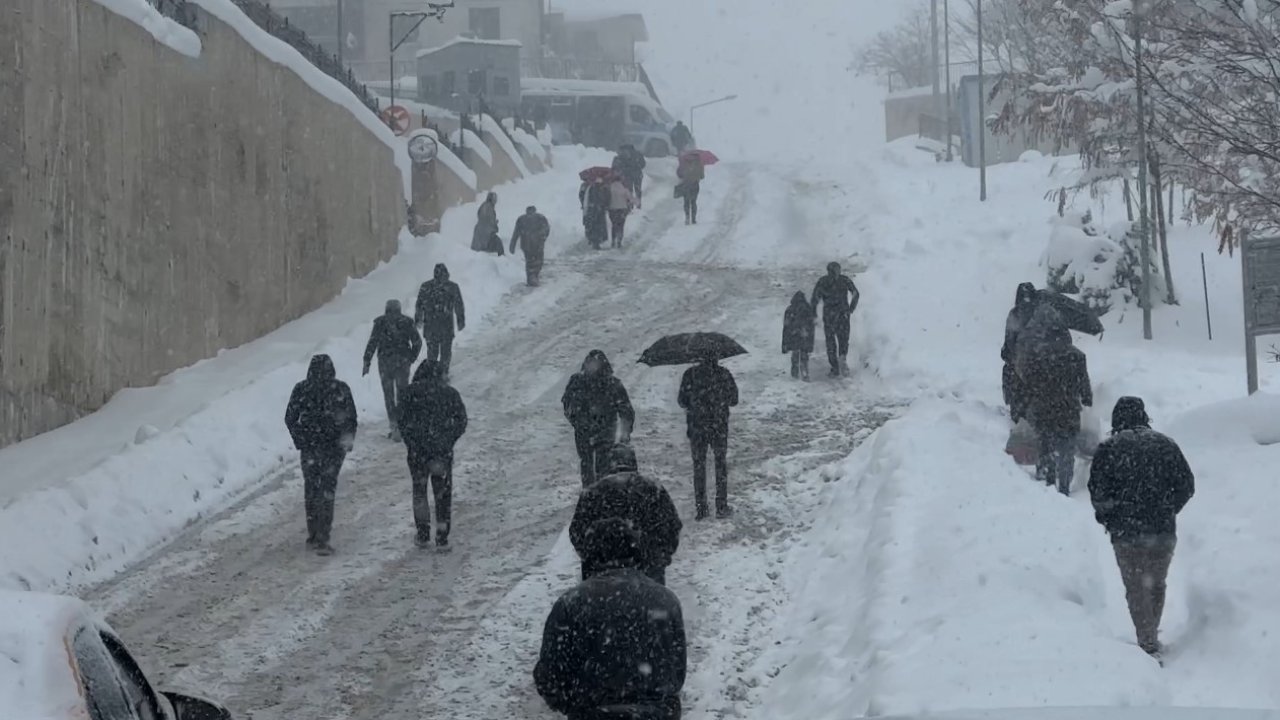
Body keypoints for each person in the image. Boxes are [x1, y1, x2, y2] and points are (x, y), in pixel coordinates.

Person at [534, 518, 687, 720]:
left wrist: (578, 707)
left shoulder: (570, 605)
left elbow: (549, 677)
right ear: (636, 553)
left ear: (590, 557)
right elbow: (676, 672)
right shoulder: (665, 601)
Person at [1088, 397, 1195, 659]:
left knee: (1136, 585)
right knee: (1156, 582)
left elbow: (1097, 491)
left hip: (1126, 533)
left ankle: (1146, 639)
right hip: (1162, 530)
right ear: (1144, 416)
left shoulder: (1109, 449)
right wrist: (1168, 509)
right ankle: (1151, 631)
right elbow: (1187, 485)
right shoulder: (1166, 445)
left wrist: (1109, 518)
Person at [569, 445, 682, 585]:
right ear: (634, 464)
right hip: (647, 572)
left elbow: (577, 532)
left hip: (601, 575)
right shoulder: (653, 489)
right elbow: (672, 526)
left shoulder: (592, 494)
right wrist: (658, 559)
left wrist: (593, 558)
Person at [284, 354, 357, 556]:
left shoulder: (302, 389)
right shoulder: (340, 389)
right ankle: (323, 536)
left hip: (310, 447)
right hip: (333, 448)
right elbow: (351, 417)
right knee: (327, 489)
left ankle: (313, 534)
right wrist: (346, 441)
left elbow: (290, 417)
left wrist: (300, 439)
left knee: (311, 489)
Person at [1017, 304, 1092, 494]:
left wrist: (1024, 405)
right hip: (1069, 409)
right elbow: (1084, 385)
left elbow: (1028, 384)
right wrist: (1086, 398)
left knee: (1045, 443)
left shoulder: (1036, 354)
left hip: (1044, 408)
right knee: (1067, 447)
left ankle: (1046, 480)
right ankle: (1065, 484)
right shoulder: (1076, 355)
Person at [399, 360, 468, 550]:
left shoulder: (409, 393)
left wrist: (412, 442)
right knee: (442, 494)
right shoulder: (450, 393)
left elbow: (402, 422)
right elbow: (461, 421)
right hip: (441, 453)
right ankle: (442, 536)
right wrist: (448, 440)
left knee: (420, 492)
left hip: (417, 454)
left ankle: (422, 534)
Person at [678, 354, 739, 520]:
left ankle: (701, 508)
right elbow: (734, 400)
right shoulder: (724, 374)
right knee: (720, 464)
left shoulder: (690, 375)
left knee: (699, 466)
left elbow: (681, 401)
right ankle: (721, 505)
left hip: (697, 427)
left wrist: (696, 403)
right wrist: (719, 400)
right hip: (718, 426)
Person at [562, 350, 636, 486]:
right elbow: (626, 410)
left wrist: (578, 421)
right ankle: (601, 493)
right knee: (601, 464)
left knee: (589, 464)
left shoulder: (578, 382)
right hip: (603, 429)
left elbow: (568, 405)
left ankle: (591, 494)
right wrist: (625, 432)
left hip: (589, 431)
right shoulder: (612, 383)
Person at [362, 299, 422, 442]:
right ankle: (403, 424)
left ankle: (394, 426)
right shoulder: (407, 322)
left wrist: (367, 361)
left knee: (388, 395)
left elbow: (372, 342)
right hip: (402, 363)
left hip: (385, 363)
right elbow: (417, 342)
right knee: (402, 394)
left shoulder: (380, 323)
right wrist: (411, 358)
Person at [415, 263, 466, 380]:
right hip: (443, 327)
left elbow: (419, 305)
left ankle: (436, 374)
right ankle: (441, 374)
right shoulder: (451, 287)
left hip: (434, 327)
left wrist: (418, 319)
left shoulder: (426, 287)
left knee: (436, 353)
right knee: (442, 353)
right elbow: (459, 305)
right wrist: (460, 320)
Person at [809, 262, 860, 378]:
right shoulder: (844, 280)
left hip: (830, 316)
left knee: (830, 342)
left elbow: (814, 299)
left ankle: (835, 368)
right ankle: (842, 357)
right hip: (843, 315)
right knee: (843, 340)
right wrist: (851, 309)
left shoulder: (823, 281)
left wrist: (813, 314)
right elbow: (856, 294)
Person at [1002, 282, 1041, 423]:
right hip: (1043, 363)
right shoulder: (1042, 314)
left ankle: (1017, 412)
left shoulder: (1014, 315)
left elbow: (1008, 343)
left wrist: (1007, 354)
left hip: (1019, 367)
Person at [511, 205, 552, 287]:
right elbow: (546, 229)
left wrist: (512, 245)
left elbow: (516, 233)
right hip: (537, 244)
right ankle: (534, 276)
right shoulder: (541, 218)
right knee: (538, 261)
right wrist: (542, 238)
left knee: (529, 261)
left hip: (526, 245)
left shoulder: (521, 219)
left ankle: (531, 278)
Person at [782, 291, 816, 381]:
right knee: (804, 355)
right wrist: (811, 343)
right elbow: (811, 327)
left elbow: (786, 327)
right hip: (804, 335)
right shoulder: (808, 309)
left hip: (794, 335)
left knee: (795, 354)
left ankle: (794, 374)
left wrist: (784, 344)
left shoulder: (789, 309)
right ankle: (804, 373)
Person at [612, 144, 647, 208]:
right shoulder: (638, 154)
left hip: (628, 176)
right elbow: (643, 164)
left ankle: (630, 205)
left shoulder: (621, 155)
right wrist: (637, 167)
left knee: (629, 190)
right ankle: (638, 204)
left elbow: (616, 167)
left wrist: (623, 171)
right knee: (638, 190)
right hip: (638, 175)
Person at [607, 176, 637, 249]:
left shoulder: (609, 188)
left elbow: (606, 198)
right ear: (620, 181)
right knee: (621, 226)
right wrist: (636, 202)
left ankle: (613, 241)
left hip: (612, 210)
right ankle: (619, 241)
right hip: (622, 210)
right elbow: (631, 199)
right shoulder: (624, 189)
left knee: (614, 225)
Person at [676, 152, 705, 225]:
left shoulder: (684, 163)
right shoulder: (699, 164)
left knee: (686, 202)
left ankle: (687, 217)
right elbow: (702, 176)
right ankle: (693, 219)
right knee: (693, 202)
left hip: (686, 185)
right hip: (695, 185)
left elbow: (679, 174)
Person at [582, 177, 611, 249]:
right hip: (598, 211)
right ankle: (596, 242)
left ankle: (593, 240)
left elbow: (584, 198)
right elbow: (605, 199)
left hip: (592, 211)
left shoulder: (590, 188)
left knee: (593, 226)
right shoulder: (600, 189)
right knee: (597, 226)